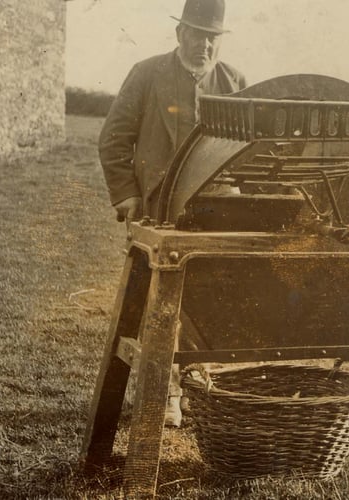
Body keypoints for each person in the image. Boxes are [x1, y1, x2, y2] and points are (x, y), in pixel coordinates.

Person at [98, 0, 246, 427]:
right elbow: (113, 139)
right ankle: (165, 391)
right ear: (180, 33)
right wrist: (125, 194)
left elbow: (250, 150)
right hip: (159, 208)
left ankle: (195, 383)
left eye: (212, 38)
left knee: (209, 299)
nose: (204, 45)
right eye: (197, 34)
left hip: (218, 208)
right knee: (160, 302)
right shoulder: (147, 74)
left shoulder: (234, 81)